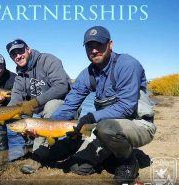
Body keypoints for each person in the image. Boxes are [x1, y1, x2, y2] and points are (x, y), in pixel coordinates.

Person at [48, 26, 156, 184]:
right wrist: (47, 125)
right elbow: (69, 105)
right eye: (89, 46)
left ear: (110, 44)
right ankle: (114, 153)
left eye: (99, 45)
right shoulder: (87, 74)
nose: (94, 50)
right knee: (78, 167)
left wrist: (91, 116)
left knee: (105, 128)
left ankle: (128, 163)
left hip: (139, 124)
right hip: (108, 127)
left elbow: (126, 106)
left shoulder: (127, 64)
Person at [5, 39, 71, 173]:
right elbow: (14, 103)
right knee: (14, 117)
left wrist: (34, 103)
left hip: (65, 107)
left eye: (20, 51)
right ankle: (32, 140)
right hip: (42, 115)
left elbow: (62, 86)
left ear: (28, 49)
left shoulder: (48, 60)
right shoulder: (19, 77)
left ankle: (38, 156)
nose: (18, 56)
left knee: (52, 105)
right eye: (14, 54)